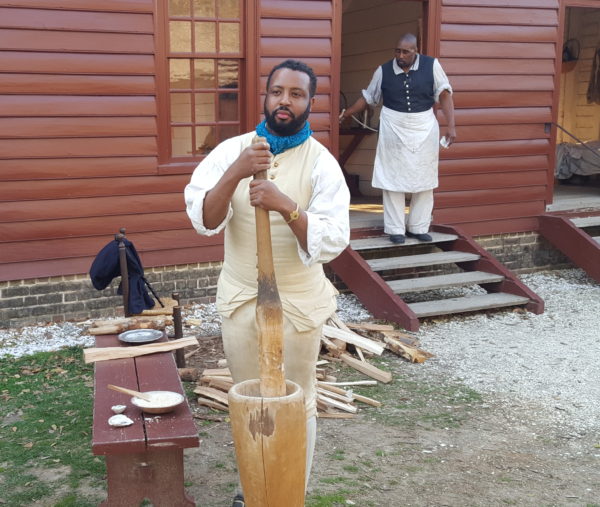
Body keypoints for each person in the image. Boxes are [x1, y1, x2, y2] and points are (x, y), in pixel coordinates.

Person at [184, 59, 350, 506]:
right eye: (278, 91)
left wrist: (285, 206)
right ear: (266, 95)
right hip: (241, 298)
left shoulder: (322, 164)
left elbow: (332, 240)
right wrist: (238, 170)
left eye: (296, 94)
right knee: (248, 397)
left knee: (299, 400)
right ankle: (252, 491)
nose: (284, 101)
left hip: (296, 303)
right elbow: (205, 217)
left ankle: (290, 492)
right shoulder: (231, 151)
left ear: (309, 102)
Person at [340, 33, 456, 244]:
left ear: (415, 51)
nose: (400, 55)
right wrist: (346, 113)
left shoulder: (432, 66)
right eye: (397, 51)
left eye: (405, 52)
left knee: (425, 177)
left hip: (424, 125)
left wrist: (451, 125)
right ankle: (395, 229)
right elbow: (369, 98)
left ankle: (418, 226)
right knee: (392, 178)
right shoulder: (383, 70)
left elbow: (445, 94)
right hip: (393, 125)